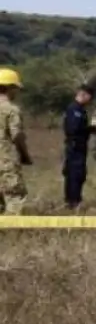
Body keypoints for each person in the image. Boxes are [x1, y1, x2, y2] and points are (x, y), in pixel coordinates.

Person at [0, 68, 33, 215]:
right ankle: (11, 231)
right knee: (14, 195)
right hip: (6, 160)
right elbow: (16, 135)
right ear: (9, 88)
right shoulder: (12, 110)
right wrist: (24, 154)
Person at [62, 84, 94, 209]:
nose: (90, 101)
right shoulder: (74, 109)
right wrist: (90, 129)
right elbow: (74, 129)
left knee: (76, 173)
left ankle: (72, 199)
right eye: (89, 97)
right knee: (76, 173)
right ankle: (73, 201)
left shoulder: (80, 109)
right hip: (75, 146)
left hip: (79, 146)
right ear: (83, 94)